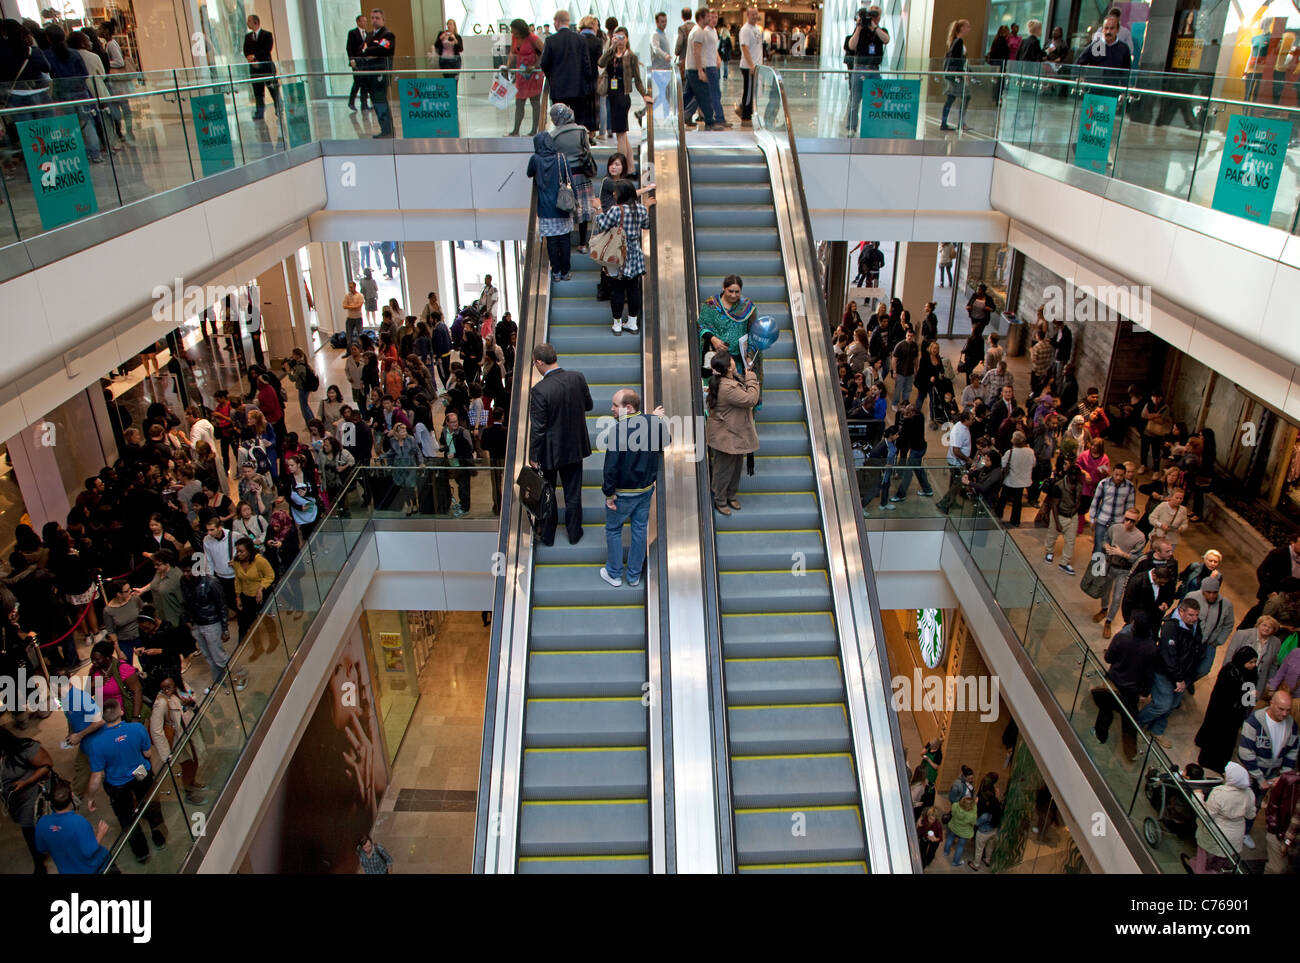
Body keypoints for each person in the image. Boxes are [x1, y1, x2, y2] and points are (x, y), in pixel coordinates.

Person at [84, 697, 167, 863]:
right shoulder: (137, 728)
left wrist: (91, 797)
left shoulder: (97, 743)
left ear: (102, 717)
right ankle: (159, 837)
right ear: (121, 711)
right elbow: (148, 754)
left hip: (117, 783)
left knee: (127, 818)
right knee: (151, 805)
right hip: (140, 772)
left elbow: (96, 775)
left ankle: (141, 852)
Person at [600, 390, 670, 587]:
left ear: (628, 408)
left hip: (622, 492)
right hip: (645, 489)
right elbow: (666, 441)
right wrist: (653, 419)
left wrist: (609, 493)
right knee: (639, 530)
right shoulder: (653, 423)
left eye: (615, 405)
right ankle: (633, 575)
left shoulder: (618, 431)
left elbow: (611, 467)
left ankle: (614, 573)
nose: (611, 409)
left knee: (614, 529)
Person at [529, 344, 594, 544]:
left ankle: (548, 535)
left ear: (539, 362)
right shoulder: (578, 378)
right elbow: (589, 405)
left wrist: (533, 456)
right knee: (573, 493)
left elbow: (538, 428)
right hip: (575, 446)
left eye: (535, 363)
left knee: (548, 492)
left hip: (550, 452)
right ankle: (574, 534)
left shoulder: (539, 390)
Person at [1136, 597, 1203, 748]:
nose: (1194, 619)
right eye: (1191, 615)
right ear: (1181, 611)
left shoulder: (1195, 625)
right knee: (1162, 704)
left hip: (1184, 674)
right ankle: (1137, 722)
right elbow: (1169, 655)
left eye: (1196, 615)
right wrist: (1178, 678)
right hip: (1165, 673)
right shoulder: (1170, 628)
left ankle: (1157, 730)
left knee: (1172, 704)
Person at [1091, 609, 1157, 760]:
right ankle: (1130, 751)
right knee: (1129, 720)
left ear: (1134, 626)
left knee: (1105, 710)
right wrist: (1145, 692)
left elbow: (1108, 658)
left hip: (1114, 683)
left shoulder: (1121, 639)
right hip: (1132, 690)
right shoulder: (1151, 648)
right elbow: (1149, 674)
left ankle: (1100, 736)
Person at [1239, 689, 1300, 846]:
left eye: (1288, 710)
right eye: (1281, 709)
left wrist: (1284, 776)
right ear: (1271, 704)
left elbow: (1293, 751)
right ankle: (1232, 831)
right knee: (1240, 801)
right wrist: (1259, 778)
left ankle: (1245, 832)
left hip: (1272, 774)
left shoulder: (1291, 725)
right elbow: (1246, 752)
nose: (1285, 714)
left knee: (1257, 804)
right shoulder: (1255, 722)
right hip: (1249, 772)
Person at [705, 346, 761, 516]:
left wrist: (747, 371)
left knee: (736, 466)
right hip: (726, 435)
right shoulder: (727, 388)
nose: (733, 361)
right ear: (728, 368)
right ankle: (720, 500)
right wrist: (752, 377)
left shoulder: (729, 379)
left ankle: (731, 495)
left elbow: (740, 383)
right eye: (730, 360)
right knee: (724, 469)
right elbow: (751, 399)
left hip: (736, 433)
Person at [595, 179, 653, 334]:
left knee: (617, 289)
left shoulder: (616, 210)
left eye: (615, 191)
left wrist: (598, 208)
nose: (613, 193)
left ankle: (617, 324)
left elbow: (602, 225)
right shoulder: (640, 209)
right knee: (634, 289)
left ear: (621, 193)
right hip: (635, 252)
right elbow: (647, 225)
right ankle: (633, 323)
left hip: (618, 252)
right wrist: (646, 207)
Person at [1194, 645, 1258, 775]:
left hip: (1236, 713)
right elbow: (1224, 695)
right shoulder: (1229, 671)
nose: (1253, 665)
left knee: (1228, 738)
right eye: (1250, 662)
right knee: (1218, 736)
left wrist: (1249, 698)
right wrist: (1246, 695)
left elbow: (1248, 695)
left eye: (1254, 662)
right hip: (1223, 711)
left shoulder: (1252, 672)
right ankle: (1212, 762)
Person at [0, 726, 55, 872]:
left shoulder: (26, 749)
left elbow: (47, 764)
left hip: (32, 796)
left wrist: (27, 781)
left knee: (29, 830)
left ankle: (39, 865)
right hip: (14, 801)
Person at [1184, 761, 1254, 873]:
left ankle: (1199, 870)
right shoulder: (1249, 793)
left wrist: (1197, 795)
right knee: (1222, 856)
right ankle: (1214, 870)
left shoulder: (1219, 793)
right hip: (1236, 834)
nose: (1224, 774)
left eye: (1226, 773)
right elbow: (1251, 815)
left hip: (1216, 832)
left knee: (1203, 853)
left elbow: (1206, 815)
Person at [149, 674, 207, 804]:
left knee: (195, 760)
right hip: (178, 740)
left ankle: (192, 782)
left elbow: (193, 697)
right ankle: (189, 792)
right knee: (187, 764)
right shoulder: (161, 702)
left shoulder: (182, 689)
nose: (166, 690)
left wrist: (190, 702)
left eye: (169, 687)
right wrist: (166, 756)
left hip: (190, 733)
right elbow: (156, 730)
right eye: (163, 688)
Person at [34, 779, 111, 874]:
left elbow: (42, 849)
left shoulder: (42, 822)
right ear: (72, 797)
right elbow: (90, 851)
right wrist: (100, 833)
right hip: (94, 869)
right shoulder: (79, 822)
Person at [527, 131, 574, 283]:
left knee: (552, 242)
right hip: (563, 206)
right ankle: (566, 272)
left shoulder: (535, 159)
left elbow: (529, 174)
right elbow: (570, 180)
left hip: (545, 209)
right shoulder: (561, 158)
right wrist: (576, 201)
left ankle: (556, 272)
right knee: (565, 241)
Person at [699, 274, 761, 387]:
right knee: (717, 389)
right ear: (723, 288)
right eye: (730, 291)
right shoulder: (712, 304)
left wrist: (749, 356)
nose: (733, 295)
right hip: (717, 358)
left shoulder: (746, 307)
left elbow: (753, 332)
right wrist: (713, 339)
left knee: (737, 389)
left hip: (738, 360)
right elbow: (702, 325)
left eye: (737, 292)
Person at [598, 28, 647, 163]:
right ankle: (629, 166)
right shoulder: (611, 55)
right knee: (623, 133)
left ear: (627, 39)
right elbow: (601, 63)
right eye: (617, 37)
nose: (620, 40)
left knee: (620, 133)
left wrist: (644, 95)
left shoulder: (631, 57)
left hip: (623, 96)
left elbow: (637, 79)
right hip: (612, 96)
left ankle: (621, 167)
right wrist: (611, 47)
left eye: (622, 37)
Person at [540, 9, 596, 129]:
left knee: (560, 122)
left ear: (556, 22)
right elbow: (587, 65)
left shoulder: (550, 40)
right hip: (578, 89)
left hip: (559, 90)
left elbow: (544, 63)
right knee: (578, 122)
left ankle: (562, 144)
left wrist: (552, 77)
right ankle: (577, 144)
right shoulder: (580, 39)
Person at [1185, 576, 1235, 691]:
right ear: (1202, 591)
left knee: (1204, 669)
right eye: (1208, 592)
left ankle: (1189, 681)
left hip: (1209, 643)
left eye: (1215, 592)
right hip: (1190, 640)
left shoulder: (1226, 604)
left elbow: (1228, 624)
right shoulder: (1192, 597)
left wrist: (1219, 640)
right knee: (1185, 665)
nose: (1212, 596)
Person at [845, 6, 889, 131]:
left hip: (874, 70)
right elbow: (851, 46)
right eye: (871, 15)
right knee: (854, 101)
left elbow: (886, 39)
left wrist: (874, 27)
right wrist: (859, 27)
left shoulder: (881, 30)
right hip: (859, 68)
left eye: (875, 16)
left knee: (875, 101)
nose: (872, 18)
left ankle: (872, 128)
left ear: (879, 18)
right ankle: (851, 128)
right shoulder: (861, 30)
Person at [358, 9, 396, 138]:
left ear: (383, 19)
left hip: (381, 73)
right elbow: (361, 49)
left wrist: (368, 50)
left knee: (381, 101)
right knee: (376, 102)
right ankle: (384, 129)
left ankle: (388, 130)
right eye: (372, 18)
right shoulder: (369, 35)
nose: (374, 20)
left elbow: (382, 50)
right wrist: (369, 51)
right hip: (370, 74)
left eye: (377, 18)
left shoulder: (388, 35)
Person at [685, 7, 723, 130]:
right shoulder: (699, 32)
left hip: (691, 68)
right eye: (707, 16)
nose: (709, 18)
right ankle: (710, 121)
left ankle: (674, 114)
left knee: (687, 96)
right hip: (694, 70)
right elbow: (697, 53)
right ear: (701, 17)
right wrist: (700, 71)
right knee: (704, 95)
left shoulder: (696, 31)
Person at [506, 19, 544, 136]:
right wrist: (508, 65)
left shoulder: (533, 38)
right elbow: (513, 52)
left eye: (514, 31)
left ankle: (534, 130)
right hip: (522, 74)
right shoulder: (515, 38)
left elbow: (545, 52)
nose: (513, 33)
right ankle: (516, 130)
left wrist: (535, 65)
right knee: (519, 102)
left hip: (533, 74)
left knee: (535, 102)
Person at [243, 14, 279, 120]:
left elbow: (267, 49)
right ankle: (260, 112)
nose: (247, 23)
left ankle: (278, 108)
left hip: (267, 69)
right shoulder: (248, 37)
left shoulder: (267, 35)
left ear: (256, 22)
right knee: (258, 92)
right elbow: (246, 51)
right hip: (255, 70)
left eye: (249, 21)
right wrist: (251, 59)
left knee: (273, 90)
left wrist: (255, 56)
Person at [997, 430, 1035, 526]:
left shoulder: (1010, 452)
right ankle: (1015, 521)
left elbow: (1003, 464)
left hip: (1010, 480)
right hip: (1023, 481)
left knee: (1003, 499)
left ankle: (998, 515)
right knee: (1017, 502)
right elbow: (1033, 464)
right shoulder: (1030, 451)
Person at [940, 19, 971, 131]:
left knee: (951, 98)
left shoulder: (955, 41)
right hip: (956, 76)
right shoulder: (958, 42)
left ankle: (945, 123)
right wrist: (962, 74)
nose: (969, 29)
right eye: (967, 27)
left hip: (954, 75)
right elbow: (956, 60)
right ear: (962, 28)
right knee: (965, 96)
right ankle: (960, 123)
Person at [737, 6, 762, 128]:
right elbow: (744, 47)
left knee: (752, 92)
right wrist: (751, 65)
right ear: (747, 15)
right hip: (748, 66)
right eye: (752, 14)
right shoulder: (745, 30)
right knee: (749, 92)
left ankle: (744, 109)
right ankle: (746, 115)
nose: (755, 16)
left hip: (756, 65)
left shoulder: (757, 29)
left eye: (756, 14)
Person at [943, 795, 977, 866]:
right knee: (960, 846)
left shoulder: (955, 806)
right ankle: (955, 862)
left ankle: (946, 852)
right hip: (964, 833)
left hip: (953, 827)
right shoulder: (972, 814)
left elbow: (952, 813)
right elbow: (974, 823)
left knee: (949, 839)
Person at [346, 14, 371, 112]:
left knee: (365, 83)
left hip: (365, 63)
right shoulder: (352, 33)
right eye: (363, 21)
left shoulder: (368, 34)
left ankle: (364, 104)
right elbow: (349, 48)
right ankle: (351, 102)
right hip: (357, 62)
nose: (365, 23)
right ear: (358, 22)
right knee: (357, 82)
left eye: (366, 21)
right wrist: (352, 60)